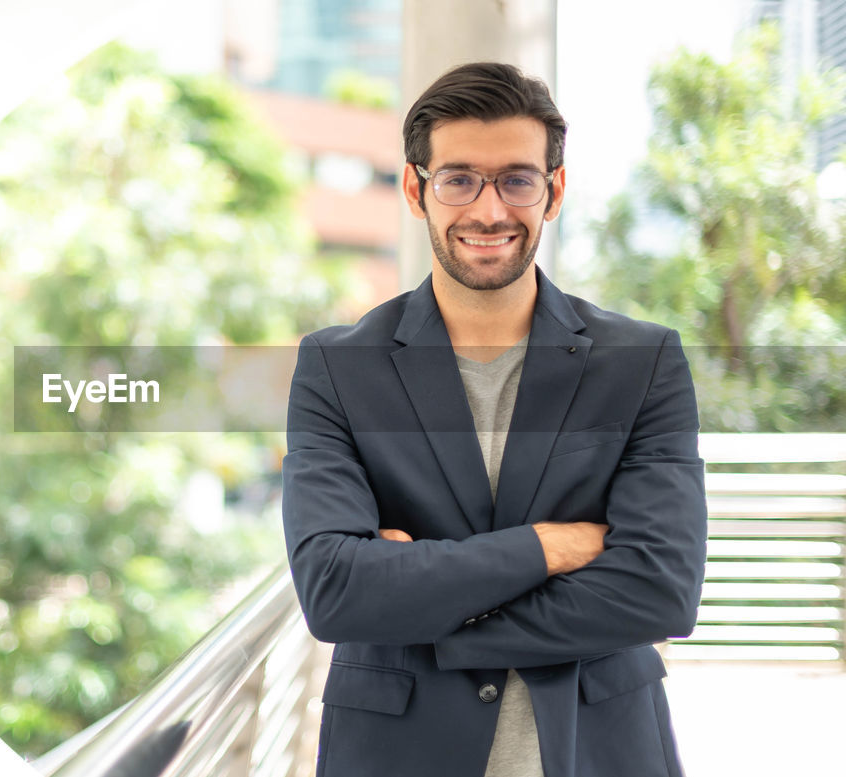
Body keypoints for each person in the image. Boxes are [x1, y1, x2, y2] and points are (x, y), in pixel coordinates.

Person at [281, 62, 707, 777]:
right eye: (459, 179)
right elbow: (336, 590)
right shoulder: (335, 366)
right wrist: (550, 545)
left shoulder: (642, 360)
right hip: (400, 754)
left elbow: (661, 586)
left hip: (598, 748)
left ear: (554, 191)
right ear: (416, 190)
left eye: (516, 179)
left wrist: (429, 607)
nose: (488, 210)